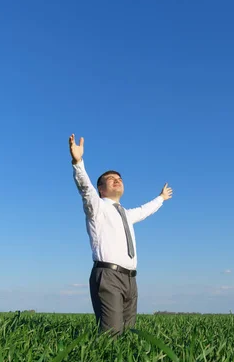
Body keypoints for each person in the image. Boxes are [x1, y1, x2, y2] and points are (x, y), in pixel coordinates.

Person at [69, 133, 173, 336]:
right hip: (108, 275)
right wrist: (78, 162)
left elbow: (144, 210)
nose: (117, 181)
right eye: (111, 179)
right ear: (101, 189)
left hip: (131, 279)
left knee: (129, 334)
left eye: (119, 179)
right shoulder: (96, 207)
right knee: (112, 334)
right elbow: (85, 188)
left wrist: (161, 198)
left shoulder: (126, 213)